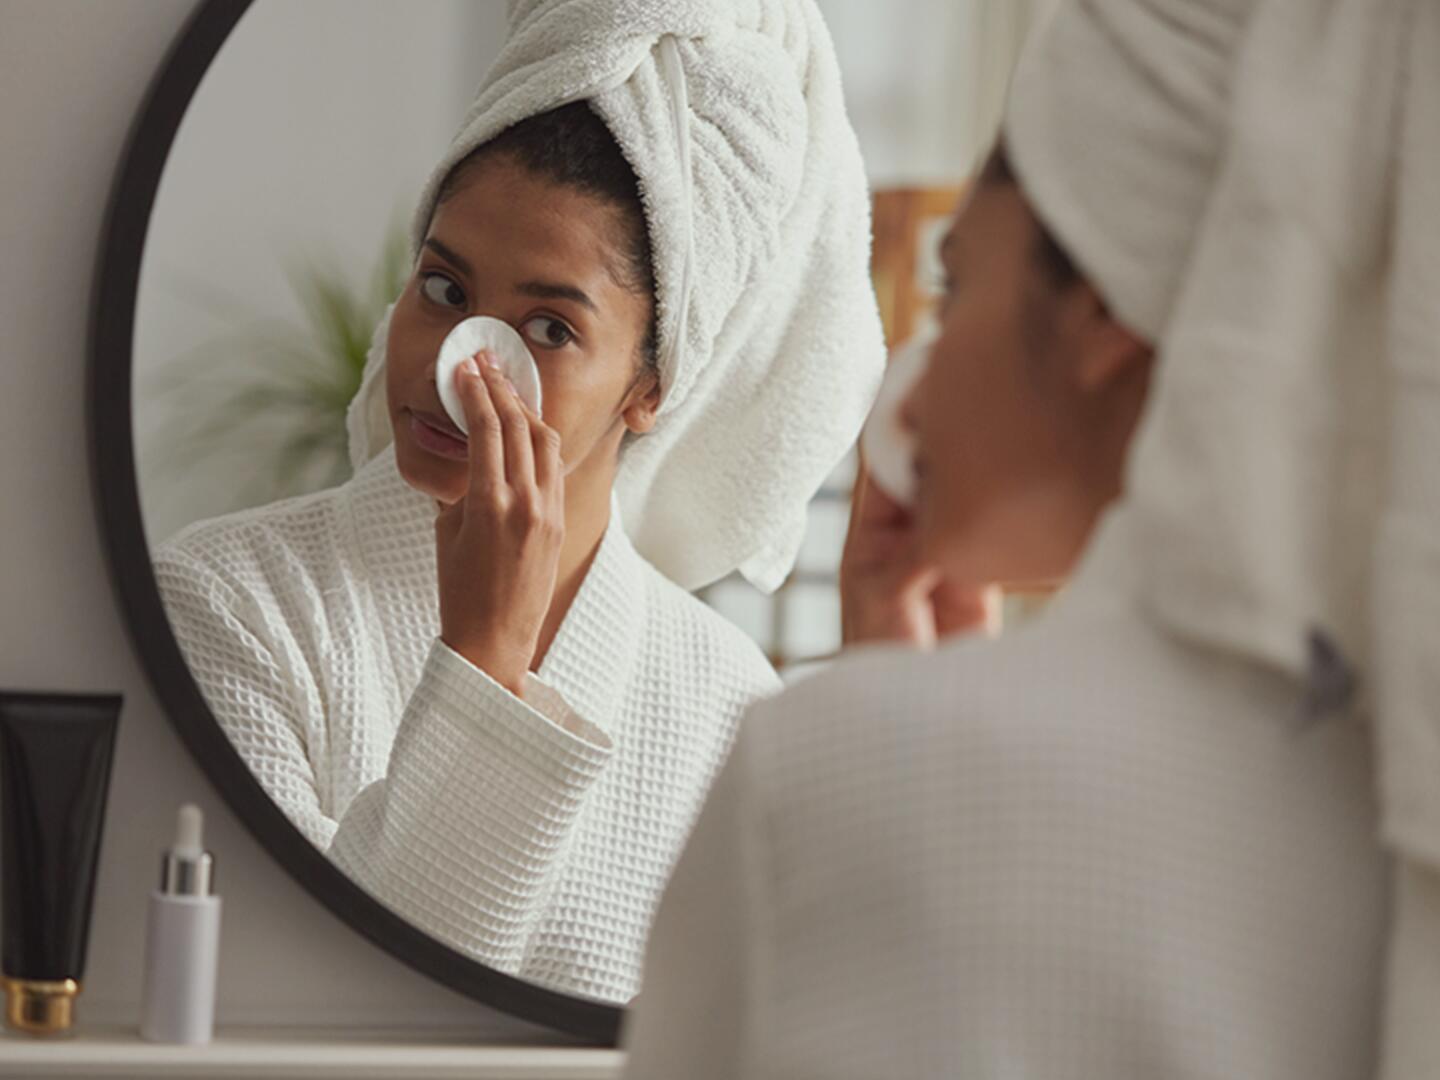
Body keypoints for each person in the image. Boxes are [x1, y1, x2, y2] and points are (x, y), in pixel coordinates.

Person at [622, 0, 1439, 1073]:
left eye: (955, 284)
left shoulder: (828, 774)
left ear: (1102, 304)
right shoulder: (1389, 789)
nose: (917, 372)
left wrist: (906, 738)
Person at [153, 0, 885, 1004]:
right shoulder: (228, 605)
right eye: (444, 292)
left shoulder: (729, 708)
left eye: (547, 327)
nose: (461, 368)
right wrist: (484, 660)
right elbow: (322, 1013)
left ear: (652, 384)